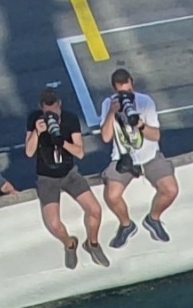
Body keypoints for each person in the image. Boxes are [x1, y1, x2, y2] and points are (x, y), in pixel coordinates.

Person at [25, 86, 105, 269]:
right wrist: (37, 132)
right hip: (47, 178)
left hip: (69, 174)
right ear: (41, 108)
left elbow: (80, 152)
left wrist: (62, 141)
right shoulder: (34, 120)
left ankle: (92, 243)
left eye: (54, 110)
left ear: (60, 104)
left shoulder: (70, 119)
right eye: (47, 111)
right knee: (53, 223)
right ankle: (70, 244)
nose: (51, 115)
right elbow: (29, 153)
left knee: (95, 210)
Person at [98, 65, 177, 245]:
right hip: (123, 158)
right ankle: (126, 225)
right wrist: (112, 112)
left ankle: (154, 218)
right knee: (112, 195)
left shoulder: (145, 102)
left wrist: (139, 125)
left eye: (129, 92)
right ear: (114, 90)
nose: (127, 97)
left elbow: (156, 135)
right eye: (122, 93)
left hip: (150, 156)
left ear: (132, 84)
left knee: (171, 190)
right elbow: (106, 136)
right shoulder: (108, 104)